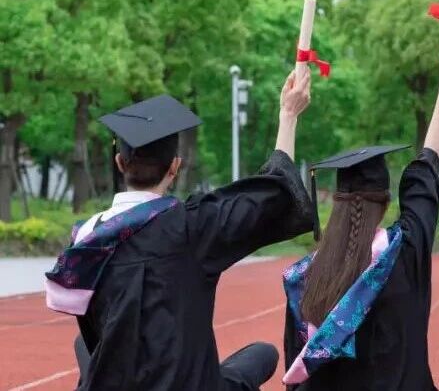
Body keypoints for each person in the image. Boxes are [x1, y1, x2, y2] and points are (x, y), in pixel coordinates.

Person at [46, 68, 315, 390]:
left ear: (119, 163)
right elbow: (273, 195)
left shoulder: (87, 239)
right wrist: (288, 115)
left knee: (85, 345)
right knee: (262, 355)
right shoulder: (192, 226)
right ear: (174, 166)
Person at [281, 48, 439, 390]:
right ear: (384, 202)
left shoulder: (305, 278)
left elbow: (299, 368)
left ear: (336, 203)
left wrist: (288, 115)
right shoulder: (402, 251)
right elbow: (426, 169)